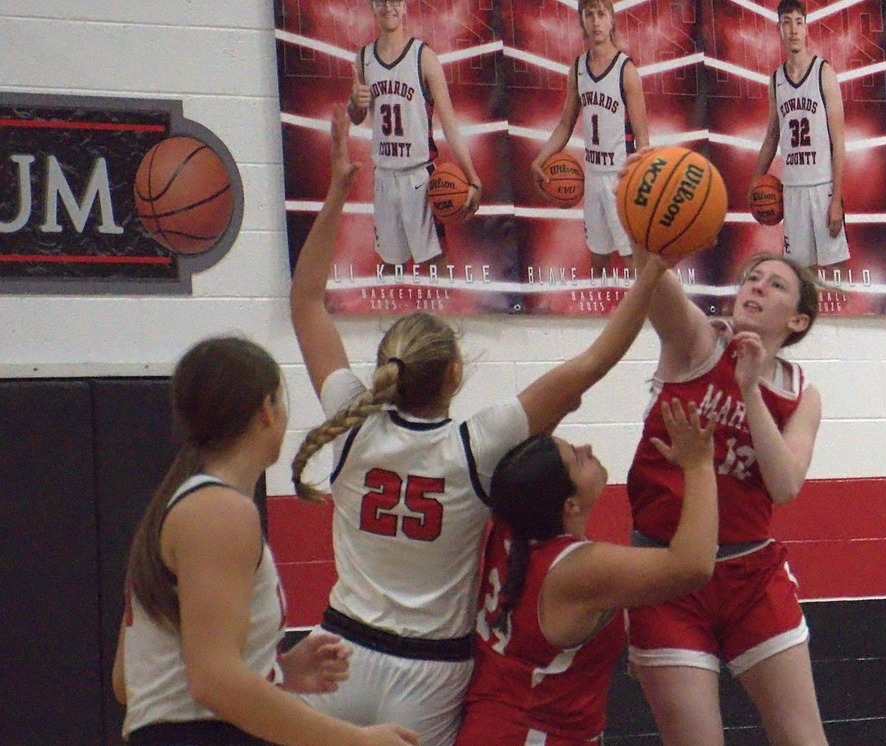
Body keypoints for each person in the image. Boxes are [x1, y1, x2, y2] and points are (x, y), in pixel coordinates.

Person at [288, 104, 670, 746]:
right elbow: (594, 362)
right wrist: (651, 269)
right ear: (456, 376)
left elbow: (304, 305)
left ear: (388, 366)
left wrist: (334, 197)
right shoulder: (476, 443)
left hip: (336, 651)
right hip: (428, 672)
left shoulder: (350, 422)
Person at [112, 337, 417, 746]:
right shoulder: (219, 511)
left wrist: (277, 671)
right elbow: (214, 682)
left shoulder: (183, 504)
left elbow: (128, 681)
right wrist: (358, 740)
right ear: (266, 411)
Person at [627, 254, 829, 745]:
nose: (757, 287)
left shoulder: (801, 392)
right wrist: (645, 233)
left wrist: (750, 390)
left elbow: (784, 486)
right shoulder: (698, 343)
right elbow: (658, 287)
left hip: (750, 575)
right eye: (751, 278)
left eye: (776, 285)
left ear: (798, 320)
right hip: (666, 572)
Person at [454, 400, 718, 745]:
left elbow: (530, 455)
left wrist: (562, 404)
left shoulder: (510, 521)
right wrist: (699, 466)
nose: (588, 448)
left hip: (490, 726)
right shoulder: (577, 569)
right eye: (578, 458)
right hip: (528, 736)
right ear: (570, 505)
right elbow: (692, 566)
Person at [347, 0, 481, 273]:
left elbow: (450, 125)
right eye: (381, 2)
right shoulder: (364, 58)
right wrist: (355, 103)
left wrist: (473, 178)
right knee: (389, 266)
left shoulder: (423, 57)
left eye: (394, 1)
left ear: (405, 5)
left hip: (420, 178)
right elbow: (357, 116)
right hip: (384, 176)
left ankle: (445, 314)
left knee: (435, 265)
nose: (388, 8)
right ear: (372, 7)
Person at [530, 0, 649, 276]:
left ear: (612, 19)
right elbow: (565, 124)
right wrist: (541, 158)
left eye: (601, 14)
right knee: (598, 260)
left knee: (633, 261)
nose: (596, 22)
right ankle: (602, 318)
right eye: (589, 14)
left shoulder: (626, 70)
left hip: (621, 179)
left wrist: (639, 179)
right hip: (592, 178)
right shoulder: (578, 69)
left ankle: (642, 318)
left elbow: (643, 138)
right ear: (581, 20)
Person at [749, 0, 849, 270]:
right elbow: (772, 135)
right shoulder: (776, 80)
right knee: (799, 275)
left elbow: (839, 143)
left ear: (806, 29)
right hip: (792, 190)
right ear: (779, 29)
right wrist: (756, 181)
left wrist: (837, 199)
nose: (793, 29)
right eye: (786, 22)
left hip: (822, 188)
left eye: (798, 22)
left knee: (833, 270)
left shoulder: (823, 73)